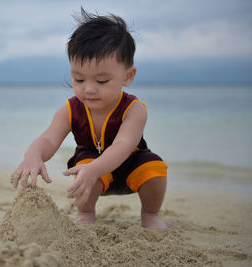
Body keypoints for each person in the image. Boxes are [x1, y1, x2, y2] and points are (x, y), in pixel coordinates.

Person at [11, 9, 168, 230]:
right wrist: (33, 155)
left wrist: (97, 168)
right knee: (84, 167)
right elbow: (48, 139)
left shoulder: (134, 110)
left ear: (128, 76)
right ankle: (86, 213)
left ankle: (150, 215)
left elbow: (123, 145)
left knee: (155, 168)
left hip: (131, 164)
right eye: (79, 79)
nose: (89, 89)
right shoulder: (70, 109)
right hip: (90, 169)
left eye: (102, 81)